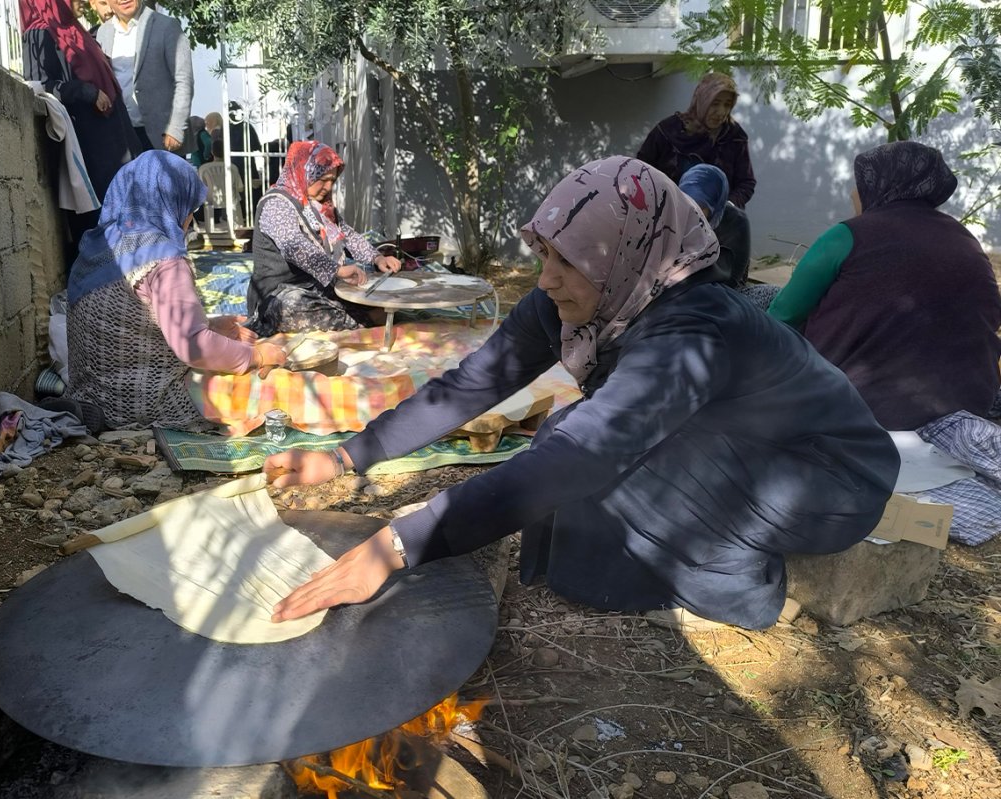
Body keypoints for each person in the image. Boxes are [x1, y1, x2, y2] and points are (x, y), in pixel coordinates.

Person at [264, 156, 899, 631]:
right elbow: (474, 382)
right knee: (567, 437)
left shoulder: (691, 330)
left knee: (599, 454)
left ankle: (737, 584)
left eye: (568, 262)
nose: (547, 279)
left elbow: (581, 455)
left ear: (625, 256)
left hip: (828, 478)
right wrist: (347, 455)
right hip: (739, 448)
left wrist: (399, 544)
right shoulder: (583, 297)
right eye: (545, 253)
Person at [768, 141, 1001, 430]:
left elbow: (782, 316)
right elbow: (990, 316)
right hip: (968, 401)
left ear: (880, 185)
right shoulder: (965, 239)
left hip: (858, 406)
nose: (853, 193)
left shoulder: (848, 235)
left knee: (765, 303)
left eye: (860, 183)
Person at [66, 152, 286, 431]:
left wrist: (210, 326)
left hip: (88, 397)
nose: (190, 218)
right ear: (171, 201)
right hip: (142, 403)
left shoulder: (98, 246)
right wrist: (258, 356)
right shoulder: (163, 257)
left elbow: (132, 323)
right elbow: (192, 346)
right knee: (276, 387)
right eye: (190, 208)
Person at [246, 141, 402, 336]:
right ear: (303, 172)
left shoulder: (322, 206)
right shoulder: (276, 204)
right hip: (278, 293)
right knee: (287, 307)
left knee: (364, 290)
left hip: (316, 289)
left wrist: (377, 258)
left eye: (332, 181)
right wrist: (336, 270)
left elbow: (347, 235)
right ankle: (365, 319)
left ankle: (359, 315)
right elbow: (294, 246)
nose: (328, 187)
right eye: (322, 179)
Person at [20, 0, 141, 247]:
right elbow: (38, 87)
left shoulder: (76, 31)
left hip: (114, 144)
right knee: (100, 231)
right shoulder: (39, 33)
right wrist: (85, 92)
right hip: (88, 151)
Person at [637, 73, 756, 208]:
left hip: (717, 218)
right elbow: (641, 171)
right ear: (702, 100)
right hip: (668, 213)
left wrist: (727, 207)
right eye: (715, 103)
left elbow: (746, 182)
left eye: (727, 105)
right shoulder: (668, 130)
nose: (721, 112)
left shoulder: (734, 137)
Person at [96, 0, 194, 156]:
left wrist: (176, 127)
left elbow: (183, 80)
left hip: (163, 137)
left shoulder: (167, 26)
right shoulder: (103, 32)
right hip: (123, 136)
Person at [678, 164, 751, 287]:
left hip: (719, 289)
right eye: (686, 204)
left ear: (714, 205)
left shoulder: (736, 223)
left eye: (700, 206)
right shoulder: (674, 213)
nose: (692, 213)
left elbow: (730, 279)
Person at [197, 138, 245, 227]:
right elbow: (240, 188)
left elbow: (200, 189)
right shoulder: (233, 167)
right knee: (237, 197)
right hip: (231, 199)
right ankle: (238, 224)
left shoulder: (203, 168)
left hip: (210, 200)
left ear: (212, 152)